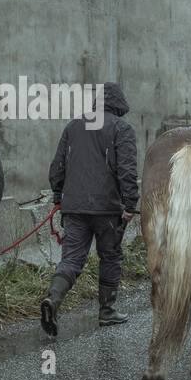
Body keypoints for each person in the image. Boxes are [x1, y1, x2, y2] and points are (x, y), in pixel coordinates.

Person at [40, 81, 139, 334]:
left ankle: (53, 299)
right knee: (110, 256)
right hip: (107, 209)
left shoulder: (74, 125)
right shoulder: (122, 128)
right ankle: (107, 311)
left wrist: (57, 195)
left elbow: (57, 166)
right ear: (119, 105)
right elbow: (127, 170)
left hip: (74, 207)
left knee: (71, 258)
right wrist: (130, 203)